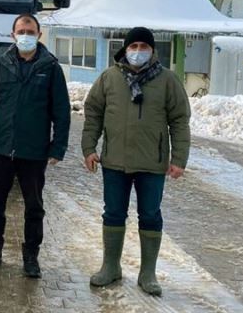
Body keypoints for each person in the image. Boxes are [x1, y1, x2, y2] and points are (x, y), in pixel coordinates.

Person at [81, 26, 191, 296]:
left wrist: (179, 159)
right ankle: (111, 267)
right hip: (115, 161)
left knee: (151, 215)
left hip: (152, 163)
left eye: (144, 47)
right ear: (125, 49)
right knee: (113, 213)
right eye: (134, 46)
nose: (138, 51)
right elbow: (93, 112)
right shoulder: (109, 78)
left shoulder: (167, 80)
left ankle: (148, 272)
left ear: (152, 50)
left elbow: (179, 120)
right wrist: (88, 148)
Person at [0, 13, 70, 278]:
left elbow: (61, 111)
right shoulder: (1, 63)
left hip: (34, 150)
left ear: (39, 35)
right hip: (2, 148)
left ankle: (31, 256)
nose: (25, 35)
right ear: (13, 35)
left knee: (34, 207)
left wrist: (57, 147)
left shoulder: (50, 67)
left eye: (30, 31)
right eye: (20, 31)